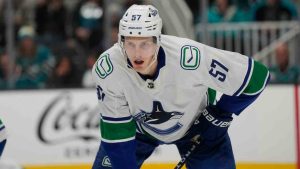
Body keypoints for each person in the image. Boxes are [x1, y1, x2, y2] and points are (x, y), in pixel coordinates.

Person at [91, 4, 270, 169]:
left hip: (199, 130)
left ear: (157, 41)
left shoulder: (190, 58)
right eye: (130, 44)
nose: (137, 53)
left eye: (144, 44)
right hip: (139, 131)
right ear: (121, 42)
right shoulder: (109, 68)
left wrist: (220, 113)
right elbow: (117, 134)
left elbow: (256, 77)